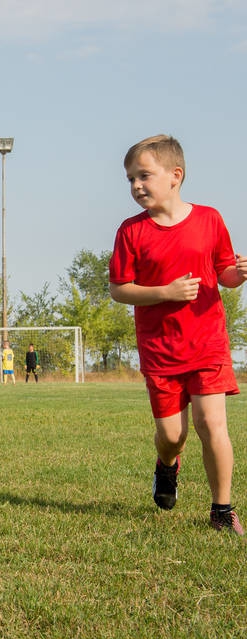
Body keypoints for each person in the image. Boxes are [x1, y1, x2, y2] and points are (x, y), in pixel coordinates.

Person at [109, 134, 246, 535]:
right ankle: (167, 465)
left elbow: (225, 273)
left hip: (208, 344)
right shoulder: (131, 232)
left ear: (175, 176)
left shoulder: (209, 220)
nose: (136, 186)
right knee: (172, 435)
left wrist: (240, 273)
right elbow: (120, 288)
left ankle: (222, 510)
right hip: (161, 350)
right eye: (130, 179)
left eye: (144, 176)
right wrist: (164, 293)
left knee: (211, 424)